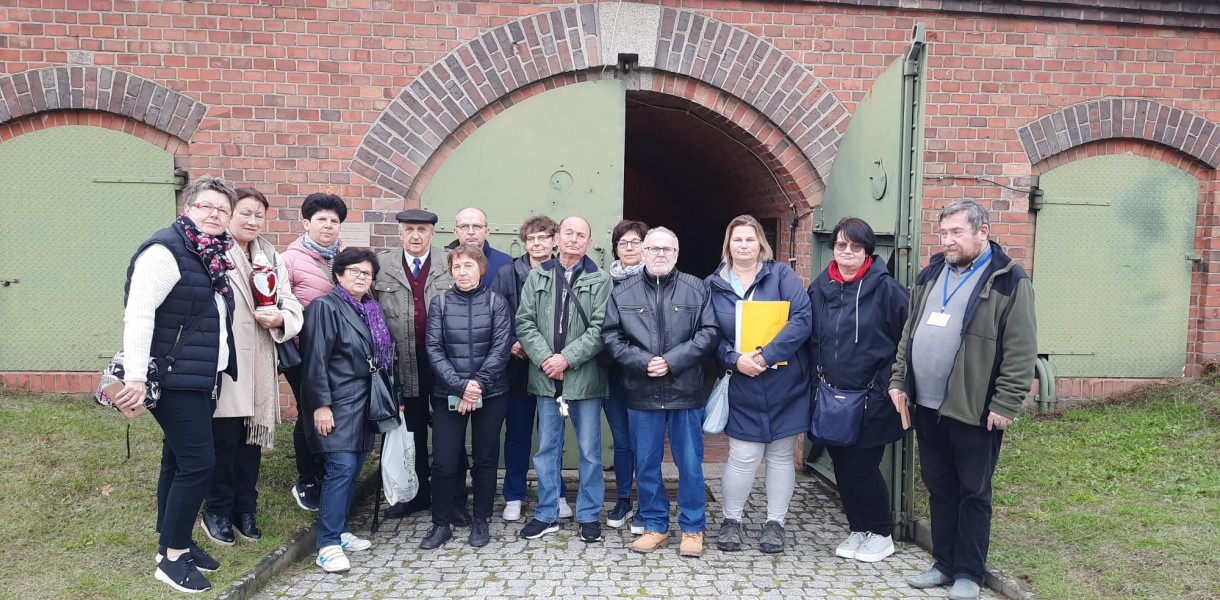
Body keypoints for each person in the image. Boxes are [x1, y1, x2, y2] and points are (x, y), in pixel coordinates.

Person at [892, 200, 1037, 600]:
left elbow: (1021, 348)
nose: (947, 241)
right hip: (927, 405)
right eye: (943, 233)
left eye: (956, 232)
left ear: (982, 232)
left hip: (974, 408)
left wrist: (1006, 402)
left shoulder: (1008, 279)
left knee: (973, 491)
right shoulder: (931, 273)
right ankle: (943, 563)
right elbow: (909, 333)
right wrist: (900, 379)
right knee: (939, 487)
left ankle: (969, 573)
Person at [113, 175, 240, 593]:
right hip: (172, 378)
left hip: (199, 377)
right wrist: (135, 376)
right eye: (206, 206)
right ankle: (172, 559)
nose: (215, 214)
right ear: (188, 208)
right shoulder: (166, 250)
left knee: (177, 461)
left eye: (222, 209)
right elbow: (139, 313)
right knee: (198, 464)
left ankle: (173, 541)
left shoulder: (210, 253)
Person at [602, 227, 718, 557]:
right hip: (642, 391)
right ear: (643, 253)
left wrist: (671, 361)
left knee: (690, 464)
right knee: (647, 464)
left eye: (667, 249)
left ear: (677, 254)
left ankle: (693, 528)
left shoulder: (697, 288)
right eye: (653, 249)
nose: (660, 254)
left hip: (686, 391)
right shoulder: (623, 293)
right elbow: (611, 336)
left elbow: (709, 333)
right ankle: (656, 526)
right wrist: (642, 362)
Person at [200, 188, 304, 547]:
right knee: (224, 438)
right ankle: (217, 509)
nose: (252, 220)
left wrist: (281, 318)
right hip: (226, 360)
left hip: (259, 358)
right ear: (230, 215)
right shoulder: (213, 251)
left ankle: (246, 508)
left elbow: (288, 299)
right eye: (245, 213)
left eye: (259, 215)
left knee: (251, 442)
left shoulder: (270, 254)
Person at [705, 214, 812, 554]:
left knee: (780, 455)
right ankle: (731, 521)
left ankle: (775, 524)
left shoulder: (781, 275)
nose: (744, 245)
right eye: (737, 239)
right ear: (728, 244)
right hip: (742, 382)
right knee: (743, 454)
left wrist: (767, 356)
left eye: (750, 239)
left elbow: (802, 318)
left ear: (761, 243)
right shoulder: (713, 284)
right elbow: (708, 334)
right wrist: (734, 359)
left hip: (784, 381)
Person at [806, 217, 908, 563]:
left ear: (867, 251)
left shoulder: (888, 291)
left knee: (863, 467)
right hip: (831, 398)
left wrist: (888, 384)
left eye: (855, 246)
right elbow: (811, 339)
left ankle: (881, 533)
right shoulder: (820, 289)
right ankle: (859, 528)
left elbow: (907, 342)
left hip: (872, 398)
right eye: (841, 244)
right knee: (842, 467)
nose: (847, 251)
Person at [515, 216, 612, 543]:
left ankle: (589, 515)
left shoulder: (601, 280)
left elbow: (600, 328)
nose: (574, 239)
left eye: (581, 235)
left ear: (589, 242)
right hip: (546, 379)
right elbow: (524, 322)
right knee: (547, 450)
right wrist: (546, 359)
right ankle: (546, 514)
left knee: (589, 453)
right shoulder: (538, 275)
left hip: (585, 380)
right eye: (568, 233)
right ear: (557, 238)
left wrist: (566, 358)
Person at [299, 248, 387, 573]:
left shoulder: (370, 310)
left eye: (367, 273)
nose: (362, 277)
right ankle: (327, 545)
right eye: (355, 271)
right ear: (338, 274)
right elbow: (315, 360)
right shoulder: (324, 307)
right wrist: (320, 405)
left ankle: (339, 530)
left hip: (364, 404)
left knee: (352, 472)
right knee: (340, 470)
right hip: (337, 402)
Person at [419, 245, 513, 549]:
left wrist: (476, 385)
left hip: (491, 392)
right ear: (450, 271)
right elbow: (434, 348)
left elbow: (501, 348)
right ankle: (440, 524)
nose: (462, 272)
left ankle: (481, 520)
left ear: (481, 268)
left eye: (469, 266)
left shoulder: (497, 302)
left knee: (485, 460)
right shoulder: (440, 303)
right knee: (444, 461)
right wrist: (460, 387)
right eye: (457, 266)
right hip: (449, 393)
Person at [374, 209, 463, 521]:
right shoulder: (382, 264)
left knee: (449, 430)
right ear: (400, 233)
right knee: (411, 430)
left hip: (444, 361)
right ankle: (417, 494)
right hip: (402, 362)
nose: (415, 236)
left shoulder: (449, 261)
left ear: (433, 234)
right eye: (409, 229)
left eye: (422, 230)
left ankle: (454, 498)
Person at [492, 215, 575, 523]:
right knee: (518, 433)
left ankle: (557, 493)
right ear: (524, 243)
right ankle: (514, 495)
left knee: (553, 436)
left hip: (553, 367)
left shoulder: (565, 271)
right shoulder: (507, 273)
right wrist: (511, 343)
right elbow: (497, 314)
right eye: (531, 239)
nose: (537, 243)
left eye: (543, 237)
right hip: (517, 365)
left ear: (554, 240)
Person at [281, 192, 348, 512]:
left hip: (340, 354)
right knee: (310, 411)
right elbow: (281, 305)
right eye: (321, 219)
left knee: (333, 411)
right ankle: (307, 479)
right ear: (306, 223)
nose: (328, 225)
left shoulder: (347, 257)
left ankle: (328, 472)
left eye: (334, 220)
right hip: (303, 353)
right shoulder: (289, 260)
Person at [603, 219, 648, 533]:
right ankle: (623, 499)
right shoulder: (605, 282)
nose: (629, 248)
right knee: (621, 442)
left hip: (646, 374)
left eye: (636, 242)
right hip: (614, 373)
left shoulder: (656, 279)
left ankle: (646, 502)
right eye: (623, 243)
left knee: (644, 443)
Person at [446, 206, 513, 288]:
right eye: (464, 227)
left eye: (477, 226)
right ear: (456, 232)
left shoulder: (505, 263)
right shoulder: (443, 262)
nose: (471, 232)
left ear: (486, 232)